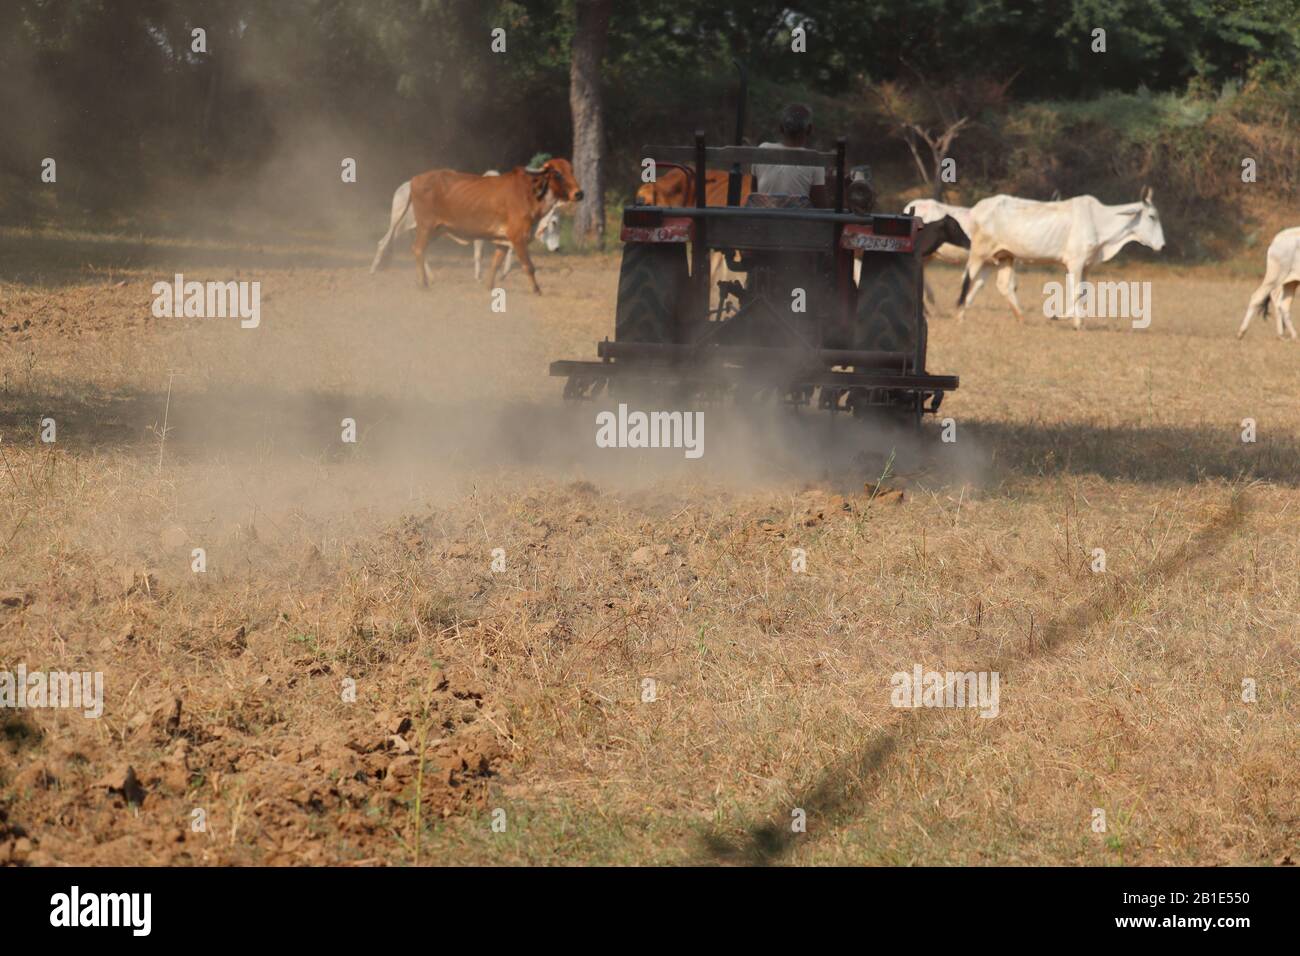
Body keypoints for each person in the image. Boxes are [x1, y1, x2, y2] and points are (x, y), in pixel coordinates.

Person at [751, 103, 830, 208]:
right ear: (809, 129)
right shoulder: (814, 160)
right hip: (797, 223)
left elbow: (755, 192)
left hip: (763, 220)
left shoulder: (763, 149)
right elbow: (821, 207)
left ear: (780, 128)